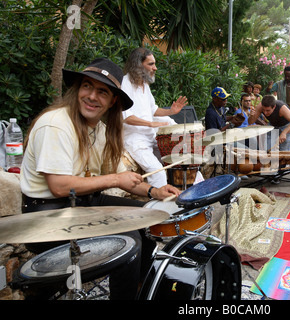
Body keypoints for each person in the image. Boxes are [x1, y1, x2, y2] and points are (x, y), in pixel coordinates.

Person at [20, 58, 181, 299]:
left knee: (149, 218)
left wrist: (153, 192)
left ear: (113, 101)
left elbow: (126, 177)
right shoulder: (55, 124)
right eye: (87, 86)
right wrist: (115, 180)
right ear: (77, 89)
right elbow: (59, 186)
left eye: (102, 92)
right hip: (46, 215)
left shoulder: (100, 129)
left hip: (83, 205)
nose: (92, 96)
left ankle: (138, 291)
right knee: (129, 238)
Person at [121, 47, 188, 188]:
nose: (155, 68)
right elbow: (126, 116)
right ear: (138, 65)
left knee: (179, 160)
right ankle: (158, 206)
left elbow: (153, 110)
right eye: (151, 64)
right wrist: (150, 124)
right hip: (135, 140)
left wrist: (171, 111)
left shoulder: (144, 84)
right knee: (157, 172)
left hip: (151, 137)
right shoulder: (125, 84)